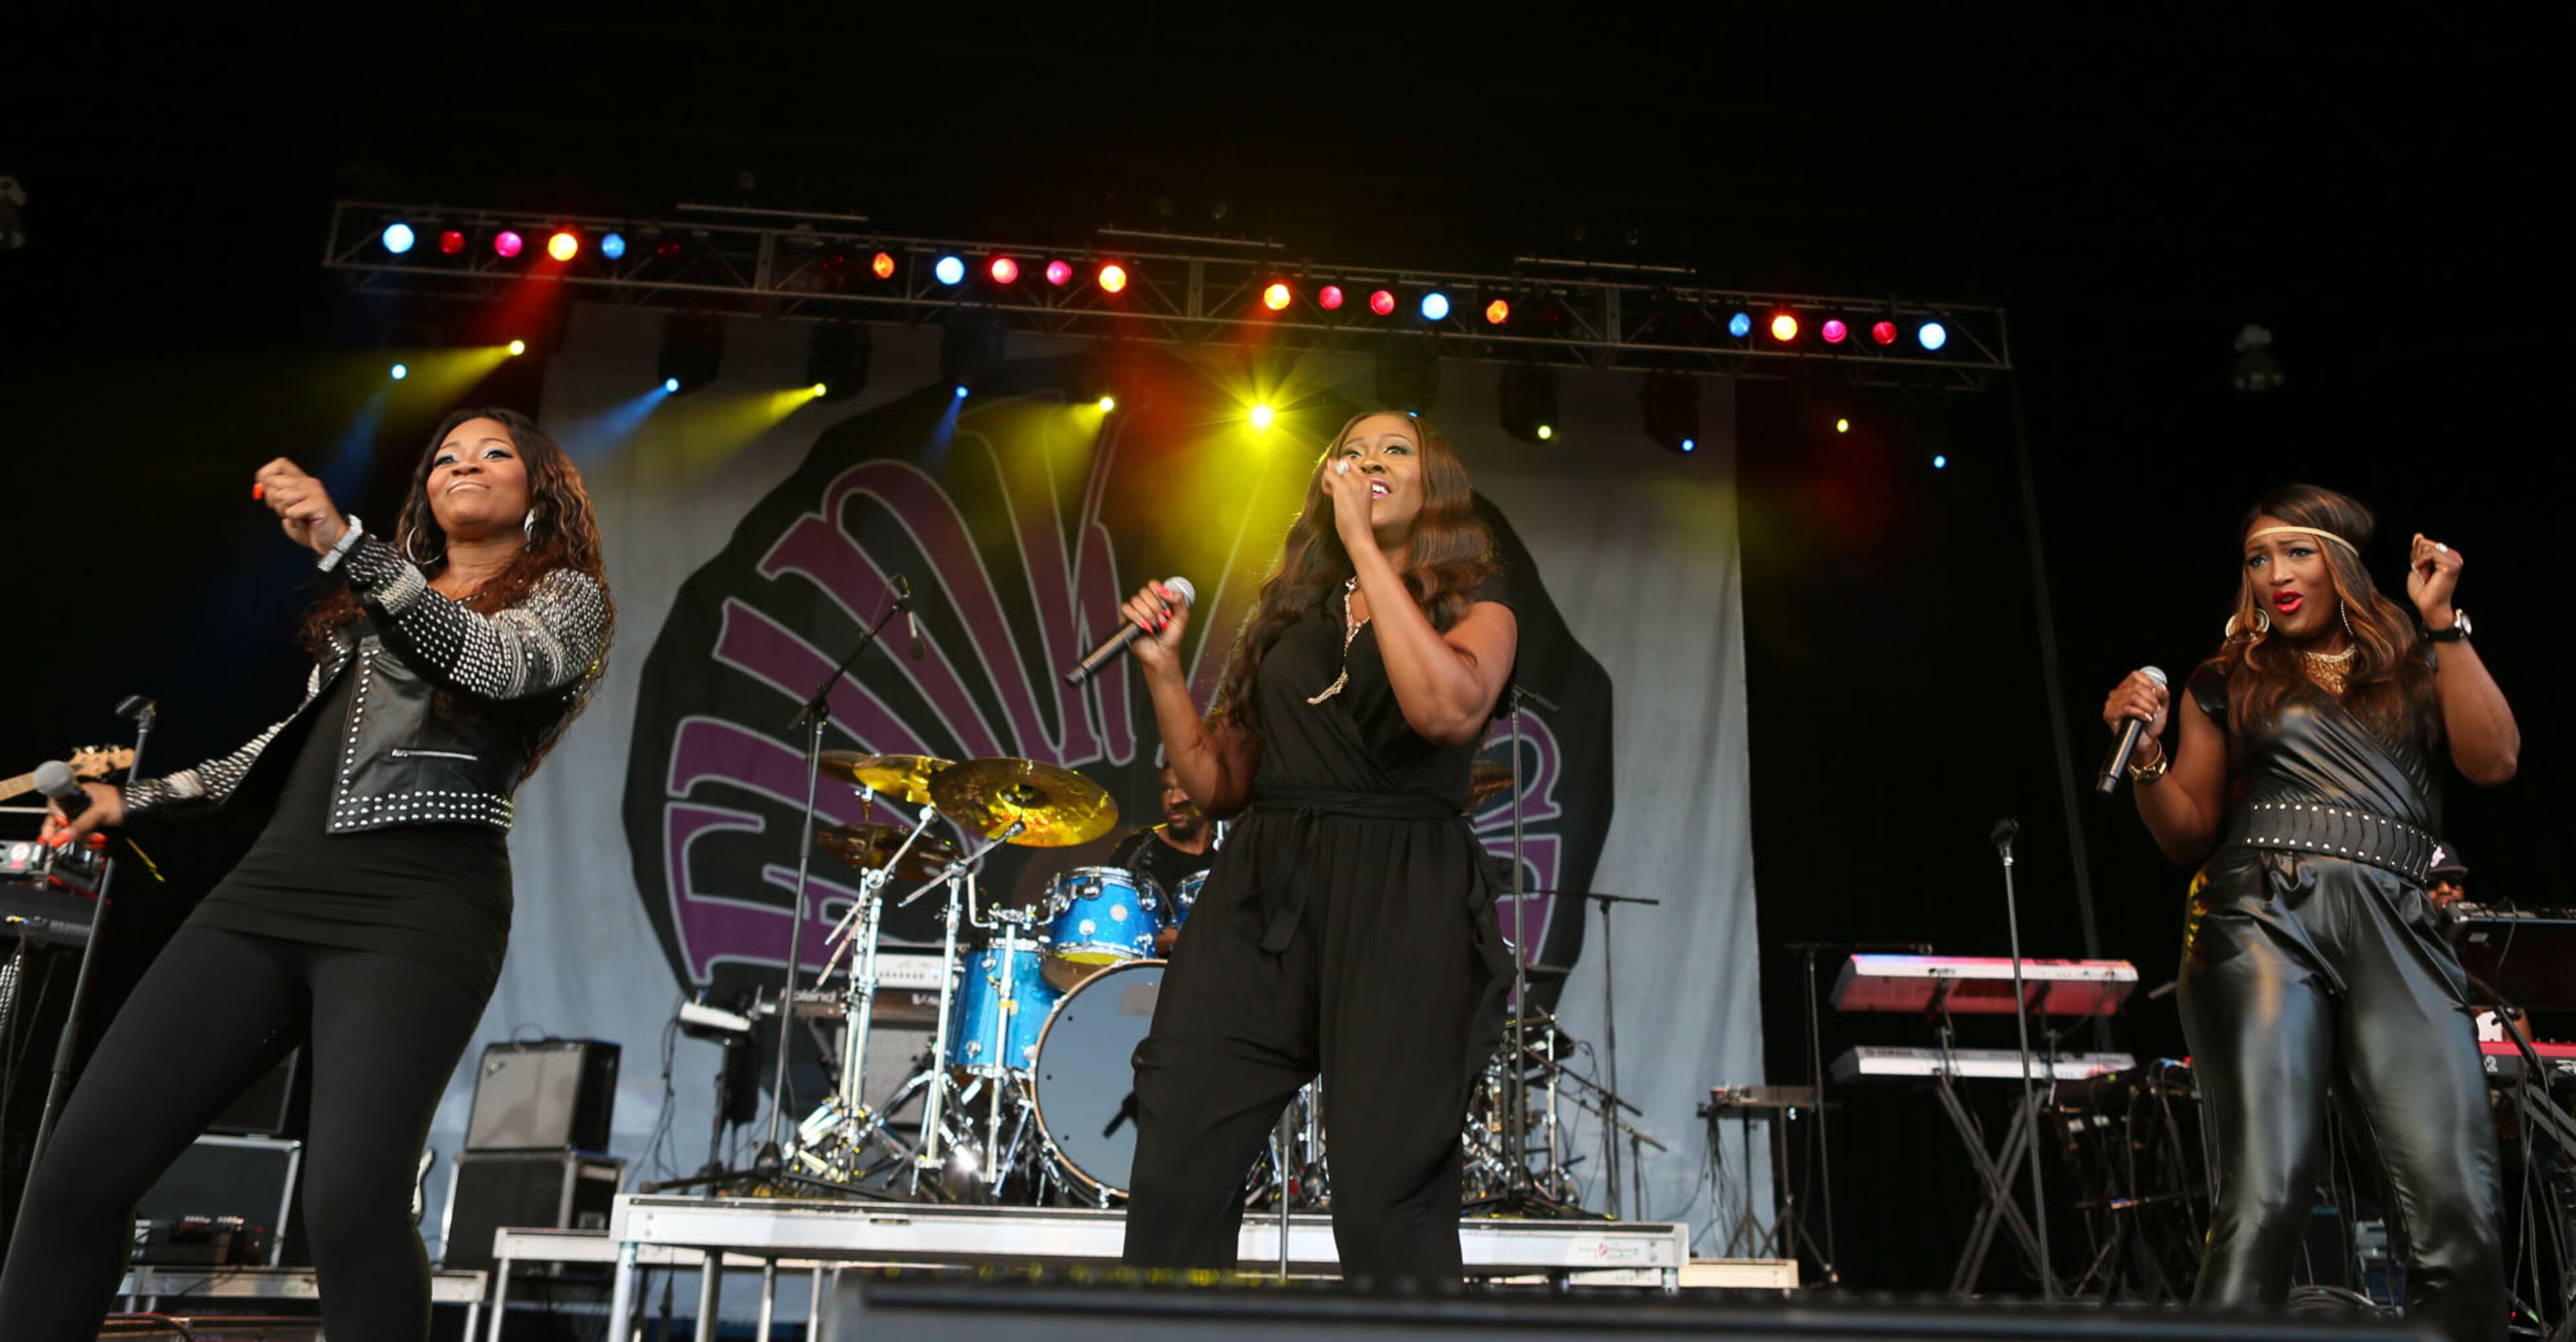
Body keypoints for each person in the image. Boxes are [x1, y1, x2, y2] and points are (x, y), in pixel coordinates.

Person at [0, 408, 613, 1341]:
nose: (464, 465)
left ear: (541, 492)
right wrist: (140, 799)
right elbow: (280, 751)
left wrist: (349, 545)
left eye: (495, 453)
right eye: (445, 457)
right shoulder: (375, 609)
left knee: (352, 1203)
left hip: (417, 905)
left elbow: (491, 664)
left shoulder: (565, 598)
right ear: (426, 495)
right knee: (78, 1176)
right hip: (269, 889)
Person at [2102, 484, 2517, 1342]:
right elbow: (2187, 833)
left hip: (2400, 928)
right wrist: (2147, 759)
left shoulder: (2416, 664)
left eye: (2297, 553)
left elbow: (2496, 761)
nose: (2276, 575)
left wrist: (2442, 622)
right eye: (2258, 560)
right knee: (2268, 1193)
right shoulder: (2228, 677)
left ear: (2344, 564)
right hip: (2260, 918)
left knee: (2460, 1212)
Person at [1116, 409, 1518, 1282]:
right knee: (1178, 1144)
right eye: (1351, 452)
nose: (1369, 460)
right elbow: (1219, 783)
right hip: (1266, 888)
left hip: (1400, 894)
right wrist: (1163, 669)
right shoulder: (1292, 619)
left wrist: (1366, 550)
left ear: (1435, 486)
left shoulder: (1479, 609)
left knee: (1384, 1196)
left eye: (1395, 450)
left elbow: (1445, 711)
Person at [1108, 763, 1214, 954]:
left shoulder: (1227, 855)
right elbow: (1113, 930)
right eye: (1167, 789)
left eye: (1184, 788)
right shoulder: (1136, 851)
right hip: (1148, 971)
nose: (1173, 800)